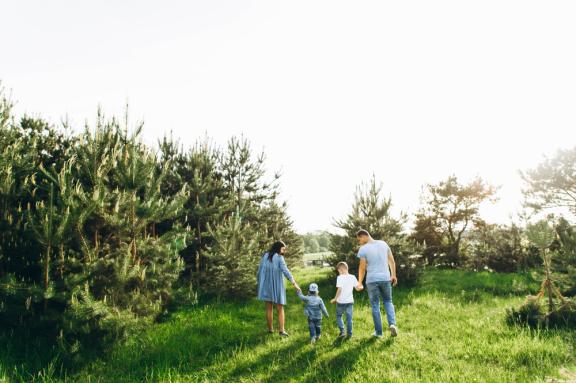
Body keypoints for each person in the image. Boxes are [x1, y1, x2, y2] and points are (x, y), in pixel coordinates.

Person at [355, 229, 399, 338]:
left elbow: (362, 268)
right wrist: (393, 275)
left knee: (375, 305)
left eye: (359, 239)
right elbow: (392, 261)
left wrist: (359, 282)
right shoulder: (383, 244)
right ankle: (392, 324)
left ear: (364, 236)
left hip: (372, 280)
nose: (359, 242)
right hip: (385, 278)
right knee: (388, 301)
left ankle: (379, 333)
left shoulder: (363, 249)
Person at [257, 241, 301, 337]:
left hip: (266, 285)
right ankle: (281, 331)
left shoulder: (265, 256)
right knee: (280, 308)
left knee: (268, 308)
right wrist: (294, 283)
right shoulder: (280, 258)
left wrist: (260, 283)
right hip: (277, 285)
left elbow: (260, 270)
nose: (284, 251)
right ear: (278, 248)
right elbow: (286, 271)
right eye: (283, 249)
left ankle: (270, 329)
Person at [330, 261, 359, 339]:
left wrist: (335, 299)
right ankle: (349, 334)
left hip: (341, 302)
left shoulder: (340, 277)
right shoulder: (353, 277)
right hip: (350, 301)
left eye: (338, 270)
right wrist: (361, 287)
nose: (338, 272)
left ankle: (342, 331)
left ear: (341, 269)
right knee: (349, 318)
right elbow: (357, 288)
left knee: (339, 316)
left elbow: (339, 289)